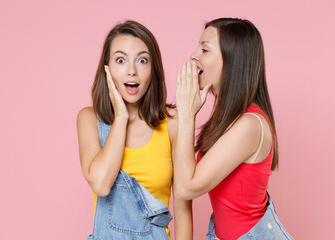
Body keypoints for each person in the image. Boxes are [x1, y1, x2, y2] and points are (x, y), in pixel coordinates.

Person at [173, 18, 293, 239]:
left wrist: (187, 115)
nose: (194, 55)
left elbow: (185, 187)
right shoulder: (226, 120)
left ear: (231, 61)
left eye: (204, 49)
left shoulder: (249, 125)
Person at [76, 20, 192, 240]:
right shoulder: (89, 119)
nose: (132, 71)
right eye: (121, 60)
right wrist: (120, 117)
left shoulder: (172, 122)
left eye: (142, 60)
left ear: (153, 69)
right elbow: (101, 184)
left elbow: (183, 207)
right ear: (107, 70)